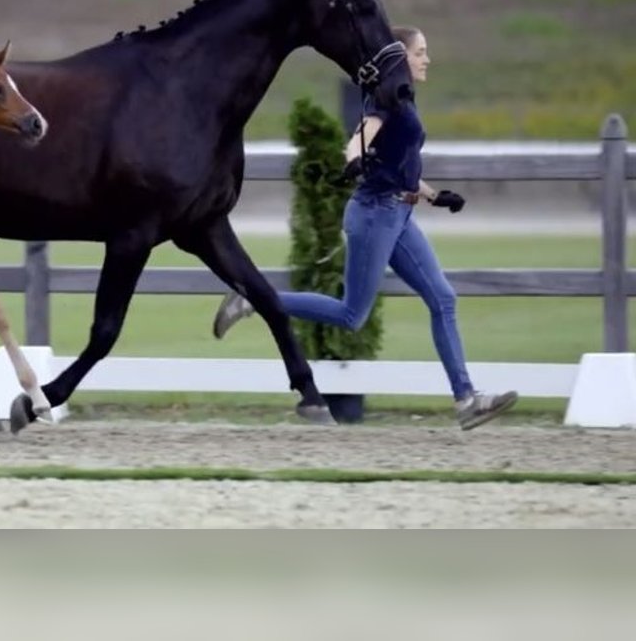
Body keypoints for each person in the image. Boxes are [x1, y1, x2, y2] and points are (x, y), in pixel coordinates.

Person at [213, 25, 518, 430]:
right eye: (421, 51)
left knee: (443, 298)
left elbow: (400, 162)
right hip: (374, 215)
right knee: (352, 314)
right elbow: (359, 138)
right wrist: (352, 159)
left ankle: (467, 400)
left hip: (399, 215)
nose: (428, 59)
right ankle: (254, 299)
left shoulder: (406, 98)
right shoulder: (386, 96)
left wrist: (433, 195)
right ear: (401, 56)